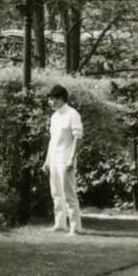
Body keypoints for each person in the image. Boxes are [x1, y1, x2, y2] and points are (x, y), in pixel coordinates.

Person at [42, 84, 83, 234]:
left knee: (69, 194)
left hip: (66, 159)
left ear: (60, 99)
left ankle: (75, 228)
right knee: (56, 193)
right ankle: (59, 224)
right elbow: (53, 140)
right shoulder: (54, 116)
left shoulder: (73, 114)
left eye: (52, 99)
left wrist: (72, 159)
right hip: (54, 159)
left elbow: (78, 137)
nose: (49, 102)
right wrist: (47, 160)